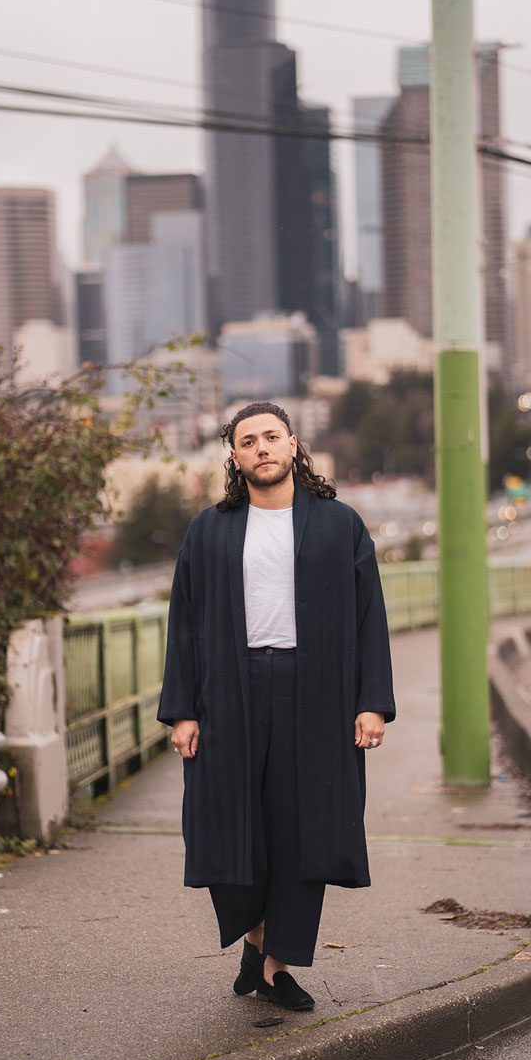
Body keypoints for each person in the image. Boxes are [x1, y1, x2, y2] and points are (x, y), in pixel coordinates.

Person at [157, 401, 395, 1012]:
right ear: (234, 457)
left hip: (314, 691)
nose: (261, 447)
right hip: (226, 691)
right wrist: (183, 710)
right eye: (247, 441)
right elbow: (182, 623)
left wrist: (371, 703)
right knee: (227, 822)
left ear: (293, 445)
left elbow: (370, 619)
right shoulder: (208, 530)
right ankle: (255, 935)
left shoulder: (340, 525)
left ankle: (274, 965)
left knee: (301, 829)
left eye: (270, 437)